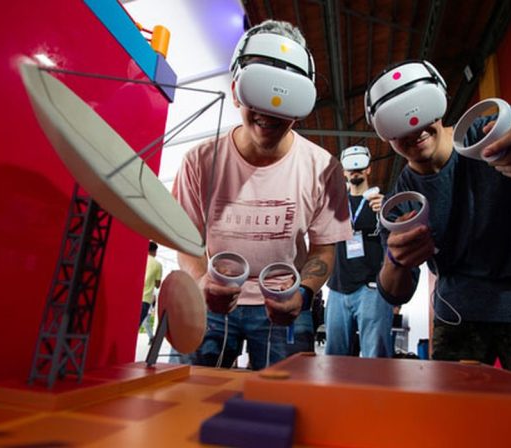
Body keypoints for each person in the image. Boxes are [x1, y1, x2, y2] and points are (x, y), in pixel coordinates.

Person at [369, 60, 511, 386]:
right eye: (400, 128)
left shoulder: (488, 134)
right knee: (454, 426)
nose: (416, 131)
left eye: (424, 116)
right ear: (384, 133)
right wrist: (397, 259)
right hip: (458, 314)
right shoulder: (401, 199)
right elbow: (395, 292)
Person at [172, 20, 351, 370]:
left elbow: (324, 248)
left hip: (286, 301)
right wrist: (200, 281)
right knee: (192, 396)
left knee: (285, 405)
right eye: (259, 96)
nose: (268, 115)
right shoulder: (199, 161)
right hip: (212, 301)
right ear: (237, 89)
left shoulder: (323, 167)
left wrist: (303, 292)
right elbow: (186, 240)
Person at [325, 146, 394, 358]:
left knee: (376, 355)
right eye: (351, 169)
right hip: (338, 286)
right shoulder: (334, 203)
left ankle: (377, 392)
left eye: (360, 168)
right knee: (334, 355)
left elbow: (397, 243)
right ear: (344, 172)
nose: (356, 172)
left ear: (369, 170)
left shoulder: (383, 204)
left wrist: (387, 215)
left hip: (372, 287)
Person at [140, 241, 162, 339]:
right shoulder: (157, 264)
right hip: (145, 299)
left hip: (133, 298)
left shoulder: (139, 258)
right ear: (155, 251)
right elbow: (158, 285)